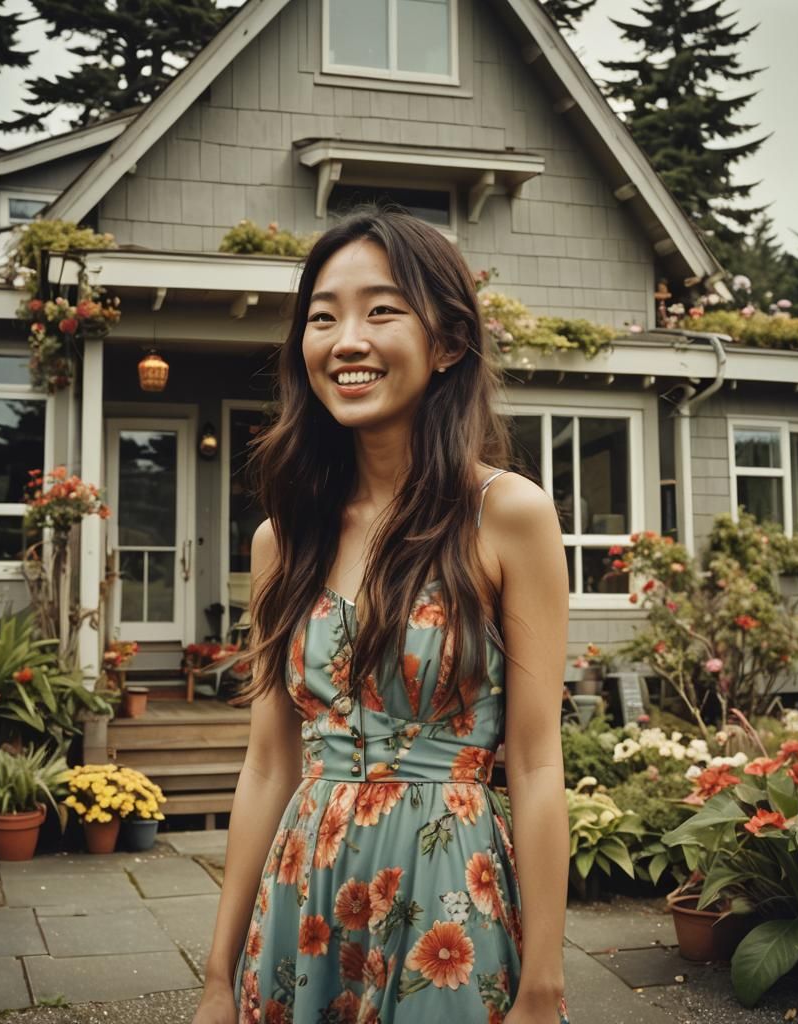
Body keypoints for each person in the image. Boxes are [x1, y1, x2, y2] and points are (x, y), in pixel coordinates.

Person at [191, 207, 570, 1024]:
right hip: (304, 898)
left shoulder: (508, 515)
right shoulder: (283, 538)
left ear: (449, 343)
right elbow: (268, 765)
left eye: (382, 311)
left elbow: (538, 764)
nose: (346, 341)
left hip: (447, 902)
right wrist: (218, 976)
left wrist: (544, 983)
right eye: (323, 317)